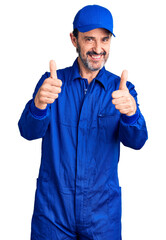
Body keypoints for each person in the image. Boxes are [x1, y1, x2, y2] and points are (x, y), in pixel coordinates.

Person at [18, 4, 148, 240]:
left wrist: (131, 114)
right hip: (53, 213)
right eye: (89, 39)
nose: (98, 48)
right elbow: (27, 131)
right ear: (74, 39)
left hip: (102, 215)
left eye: (105, 40)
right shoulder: (52, 84)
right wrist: (38, 105)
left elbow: (137, 141)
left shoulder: (121, 90)